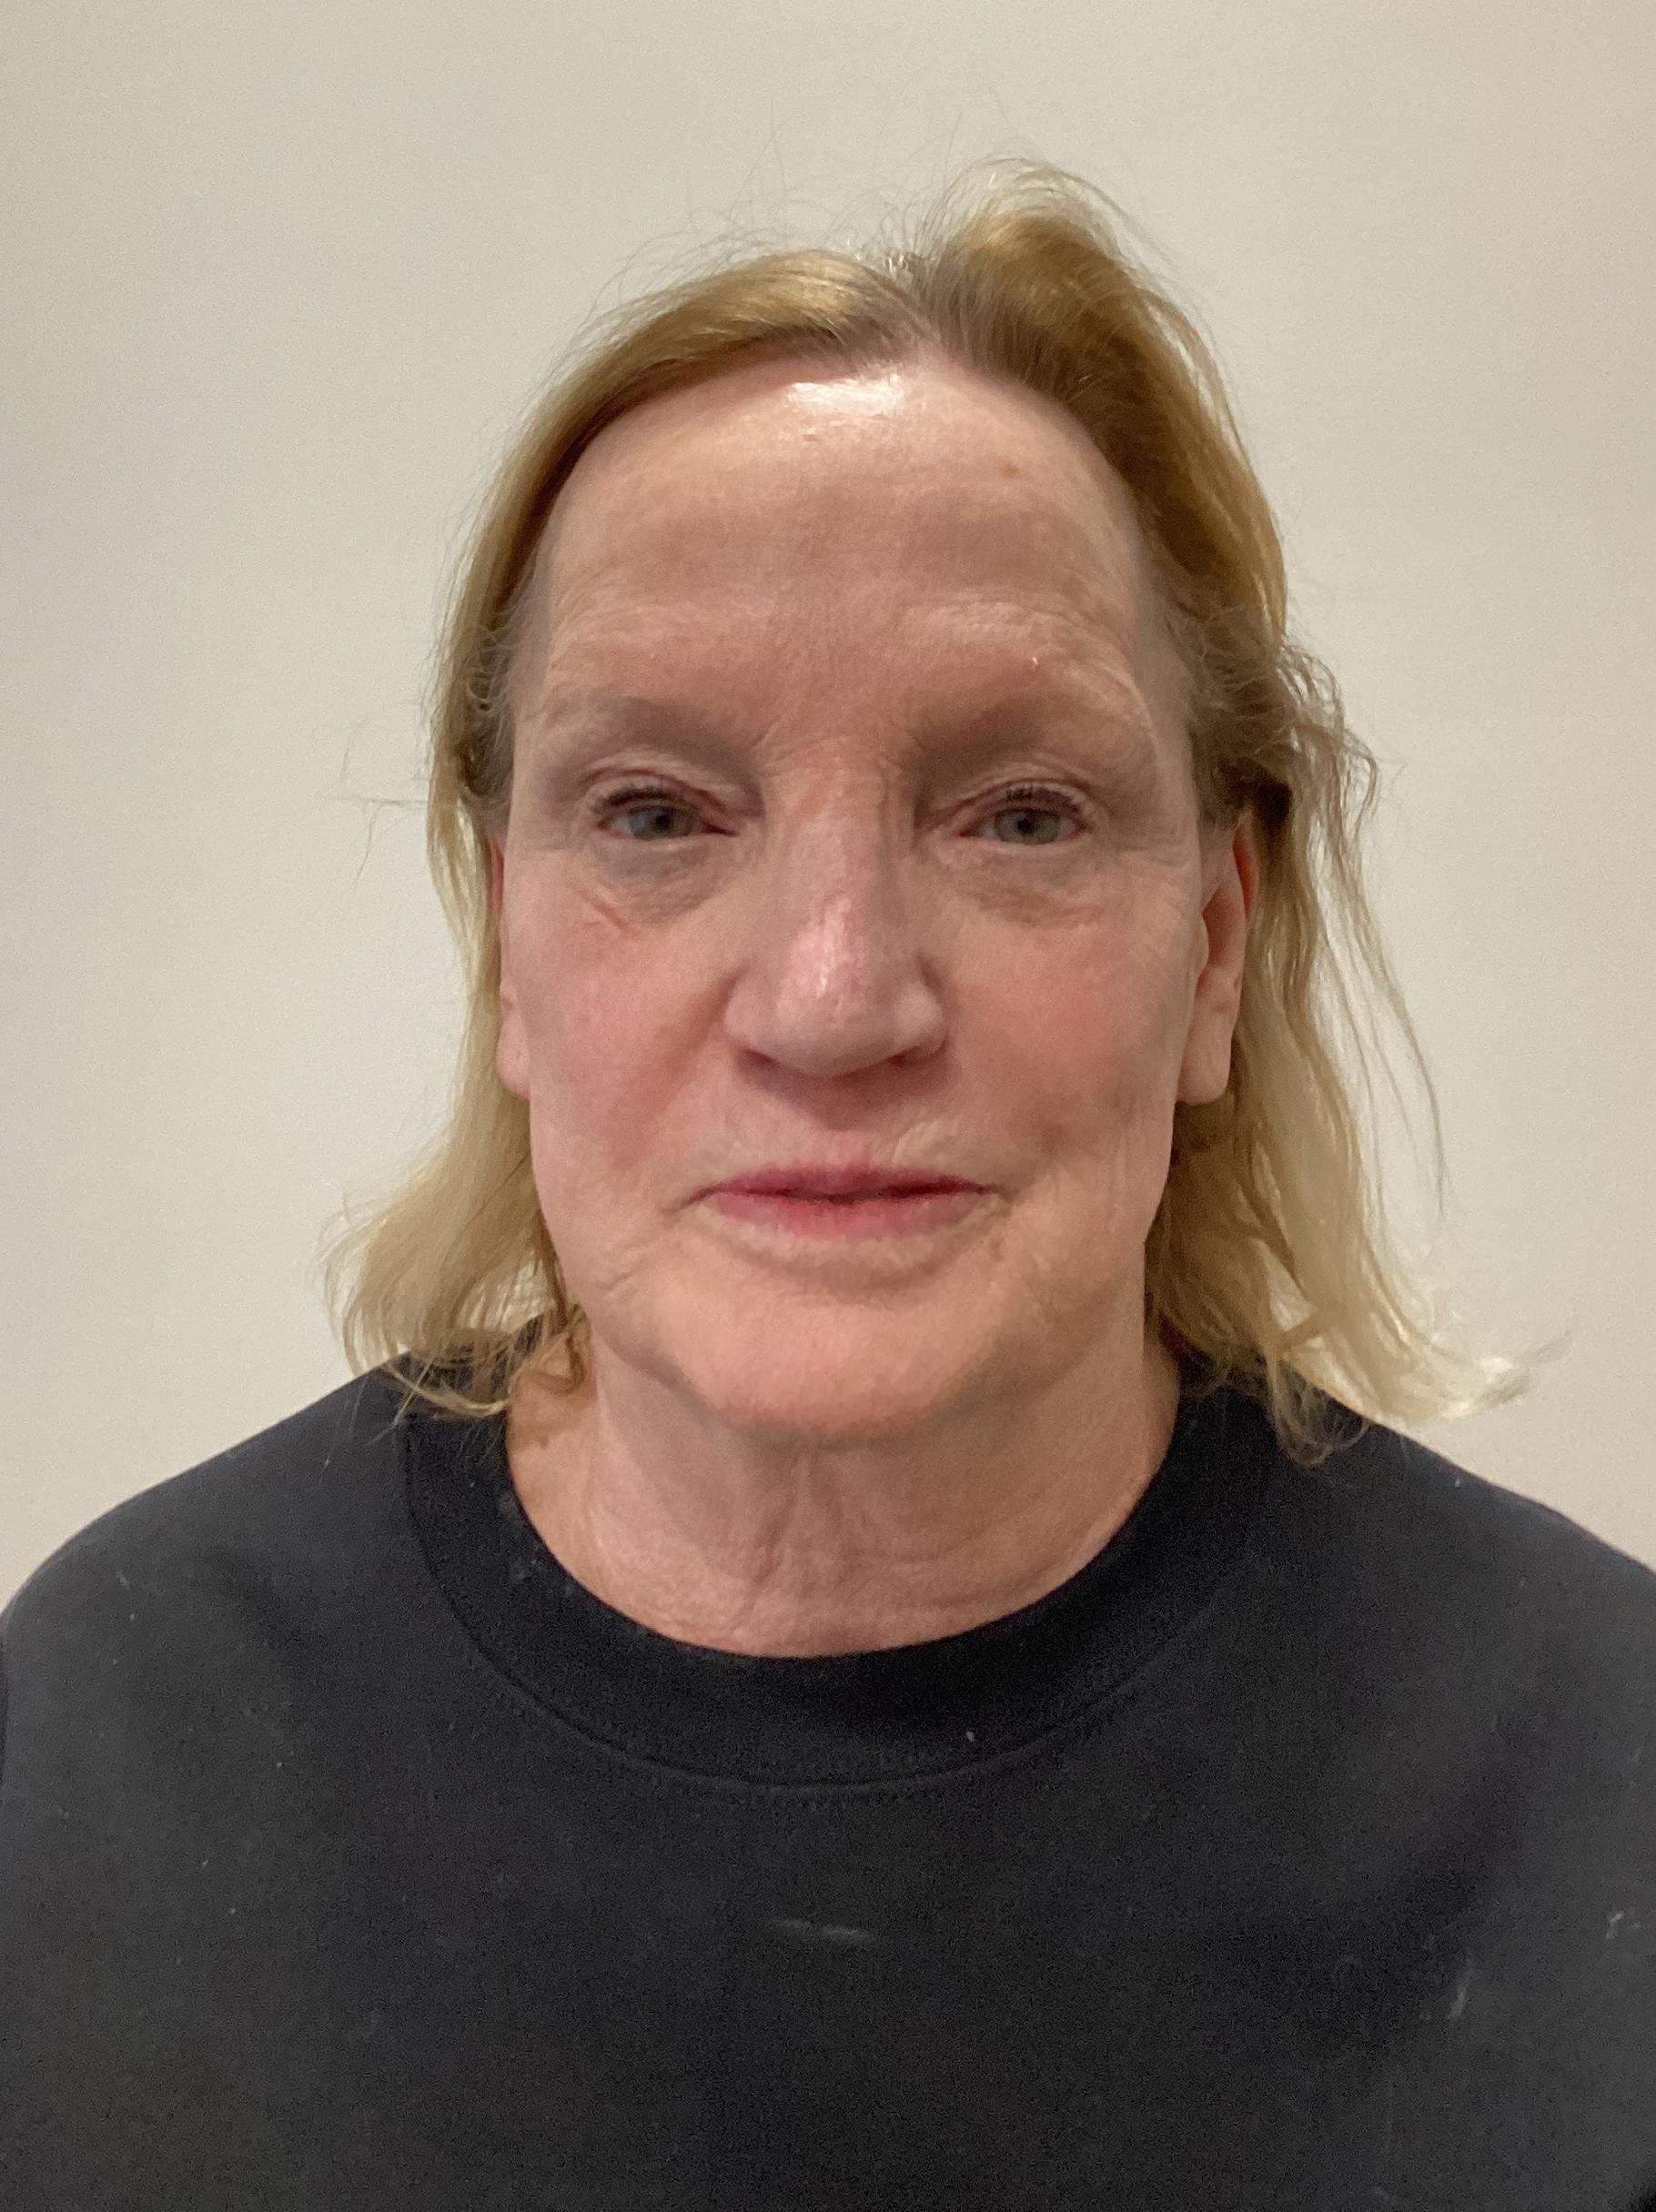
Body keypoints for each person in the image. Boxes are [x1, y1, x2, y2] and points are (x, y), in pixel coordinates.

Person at [3, 163, 1652, 2210]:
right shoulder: (106, 1753)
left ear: (1217, 945)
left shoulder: (1598, 1787)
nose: (833, 996)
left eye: (1023, 814)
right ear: (508, 935)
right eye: (655, 813)